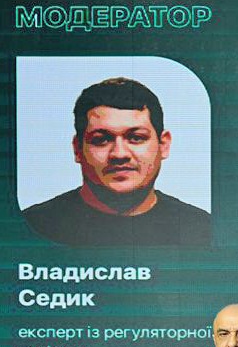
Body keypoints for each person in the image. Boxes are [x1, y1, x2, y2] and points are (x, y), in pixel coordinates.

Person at [23, 77, 211, 247]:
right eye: (101, 140)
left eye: (136, 138)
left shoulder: (203, 230)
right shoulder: (30, 227)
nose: (119, 154)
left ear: (164, 145)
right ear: (77, 149)